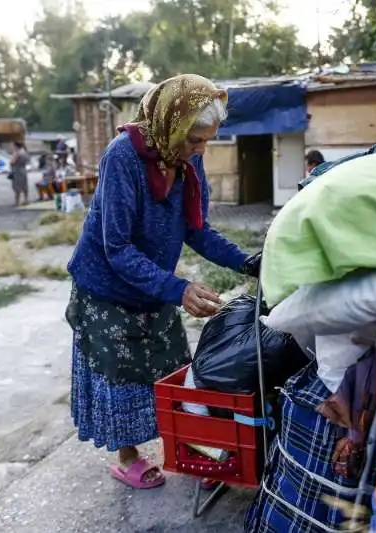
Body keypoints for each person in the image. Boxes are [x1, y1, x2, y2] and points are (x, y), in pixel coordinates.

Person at [66, 74, 262, 490]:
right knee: (121, 376)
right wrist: (179, 288)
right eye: (194, 139)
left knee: (175, 368)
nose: (200, 150)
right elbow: (116, 247)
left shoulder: (188, 160)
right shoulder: (122, 158)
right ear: (170, 124)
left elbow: (197, 230)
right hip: (107, 288)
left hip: (150, 281)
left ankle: (194, 446)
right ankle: (128, 456)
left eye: (207, 141)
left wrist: (247, 262)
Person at [9, 141, 30, 206]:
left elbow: (12, 162)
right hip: (23, 169)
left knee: (17, 186)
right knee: (24, 186)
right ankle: (26, 200)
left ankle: (17, 202)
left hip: (17, 170)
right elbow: (27, 161)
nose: (11, 147)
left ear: (16, 146)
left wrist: (11, 159)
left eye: (12, 146)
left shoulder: (17, 153)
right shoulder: (24, 152)